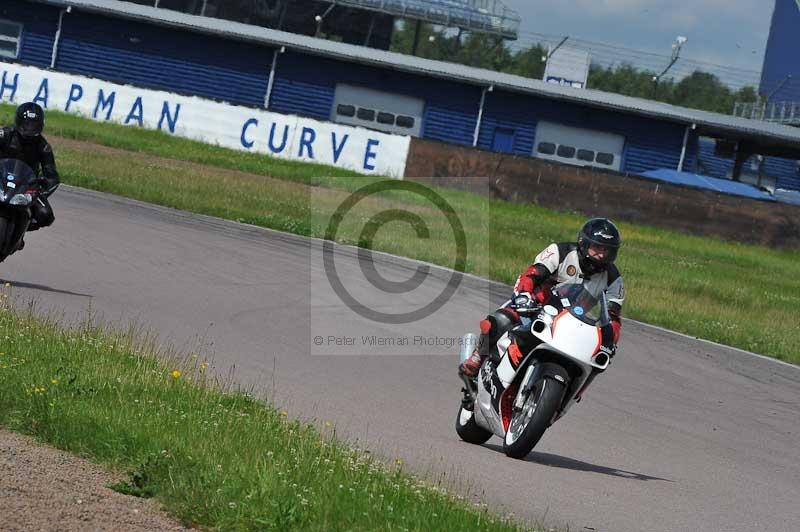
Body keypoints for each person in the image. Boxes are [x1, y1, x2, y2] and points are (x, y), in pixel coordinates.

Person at [459, 218, 625, 393]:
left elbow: (613, 315)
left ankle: (574, 393)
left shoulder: (614, 279)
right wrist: (524, 296)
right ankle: (478, 356)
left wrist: (610, 338)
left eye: (607, 250)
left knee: (599, 360)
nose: (602, 255)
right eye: (597, 248)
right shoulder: (560, 252)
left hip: (573, 322)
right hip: (535, 306)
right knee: (500, 319)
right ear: (584, 243)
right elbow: (531, 275)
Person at [0, 102, 60, 250]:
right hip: (1, 178)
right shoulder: (5, 134)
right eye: (26, 124)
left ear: (40, 125)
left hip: (26, 186)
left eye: (33, 125)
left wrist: (42, 190)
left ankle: (20, 234)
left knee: (45, 215)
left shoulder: (43, 146)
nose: (29, 129)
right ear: (19, 122)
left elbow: (52, 176)